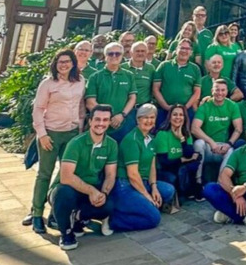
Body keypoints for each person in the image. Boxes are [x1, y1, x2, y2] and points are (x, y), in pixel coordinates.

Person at [28, 49, 85, 234]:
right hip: (51, 133)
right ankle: (37, 213)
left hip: (72, 133)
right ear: (55, 64)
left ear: (73, 63)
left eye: (67, 61)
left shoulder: (80, 81)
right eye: (60, 62)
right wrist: (42, 134)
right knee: (45, 173)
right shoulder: (48, 83)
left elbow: (81, 106)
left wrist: (81, 127)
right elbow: (38, 109)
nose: (64, 65)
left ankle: (56, 210)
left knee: (65, 174)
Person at [50, 104, 117, 250]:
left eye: (105, 120)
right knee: (64, 193)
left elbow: (111, 175)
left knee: (107, 206)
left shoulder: (111, 145)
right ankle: (66, 233)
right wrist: (92, 191)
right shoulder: (76, 143)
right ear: (90, 121)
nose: (101, 123)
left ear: (110, 122)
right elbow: (66, 177)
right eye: (97, 119)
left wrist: (103, 194)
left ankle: (79, 218)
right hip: (67, 188)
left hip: (89, 191)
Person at [110, 104, 176, 232]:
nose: (149, 121)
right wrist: (147, 195)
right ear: (138, 119)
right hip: (126, 185)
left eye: (152, 117)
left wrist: (154, 187)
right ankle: (114, 219)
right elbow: (133, 175)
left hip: (143, 182)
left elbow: (152, 167)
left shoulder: (151, 139)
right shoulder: (132, 140)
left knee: (168, 190)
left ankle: (141, 207)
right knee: (154, 219)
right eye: (145, 117)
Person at [192, 78, 242, 184]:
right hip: (208, 146)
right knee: (198, 143)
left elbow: (238, 128)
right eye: (217, 90)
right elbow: (194, 128)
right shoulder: (205, 106)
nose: (220, 93)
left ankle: (222, 182)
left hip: (223, 146)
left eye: (223, 90)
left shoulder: (232, 106)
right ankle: (197, 182)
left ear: (227, 91)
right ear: (212, 91)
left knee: (231, 151)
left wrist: (229, 144)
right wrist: (211, 142)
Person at [86, 42, 137, 142]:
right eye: (110, 53)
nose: (114, 56)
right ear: (105, 56)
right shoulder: (95, 77)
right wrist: (107, 118)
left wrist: (122, 115)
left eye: (117, 54)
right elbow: (90, 102)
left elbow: (132, 98)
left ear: (122, 56)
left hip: (124, 124)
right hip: (101, 125)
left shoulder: (129, 75)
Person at [155, 104, 201, 205]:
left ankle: (191, 190)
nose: (178, 117)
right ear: (170, 117)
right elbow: (164, 162)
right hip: (167, 169)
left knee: (195, 162)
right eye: (175, 114)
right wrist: (183, 160)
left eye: (181, 115)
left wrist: (181, 138)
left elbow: (189, 154)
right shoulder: (162, 134)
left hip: (179, 166)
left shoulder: (185, 133)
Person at [152, 38, 202, 128]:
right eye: (182, 48)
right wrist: (166, 106)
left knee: (184, 137)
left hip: (186, 111)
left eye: (187, 49)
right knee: (161, 135)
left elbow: (197, 92)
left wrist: (185, 108)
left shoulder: (195, 69)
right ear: (176, 50)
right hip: (164, 111)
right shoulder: (164, 65)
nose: (184, 51)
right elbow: (155, 89)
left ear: (191, 52)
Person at [124, 41, 156, 106]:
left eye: (143, 51)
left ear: (147, 53)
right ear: (131, 53)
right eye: (137, 51)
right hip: (125, 107)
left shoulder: (151, 68)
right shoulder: (122, 67)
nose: (140, 53)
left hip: (144, 108)